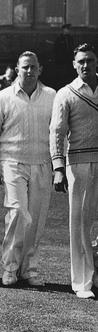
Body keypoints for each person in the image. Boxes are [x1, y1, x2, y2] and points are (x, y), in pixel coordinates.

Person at [0, 51, 56, 288]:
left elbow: (59, 132)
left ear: (40, 69)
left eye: (33, 67)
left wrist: (59, 164)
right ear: (17, 69)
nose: (29, 71)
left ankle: (29, 269)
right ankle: (10, 268)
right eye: (25, 67)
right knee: (18, 212)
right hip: (12, 162)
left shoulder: (52, 96)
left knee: (35, 219)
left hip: (43, 163)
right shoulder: (3, 97)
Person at [50, 43, 98, 299]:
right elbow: (57, 131)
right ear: (74, 65)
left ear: (96, 62)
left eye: (90, 60)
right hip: (77, 163)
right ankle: (82, 283)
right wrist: (58, 167)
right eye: (81, 61)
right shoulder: (65, 93)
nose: (85, 65)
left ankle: (95, 272)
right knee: (80, 222)